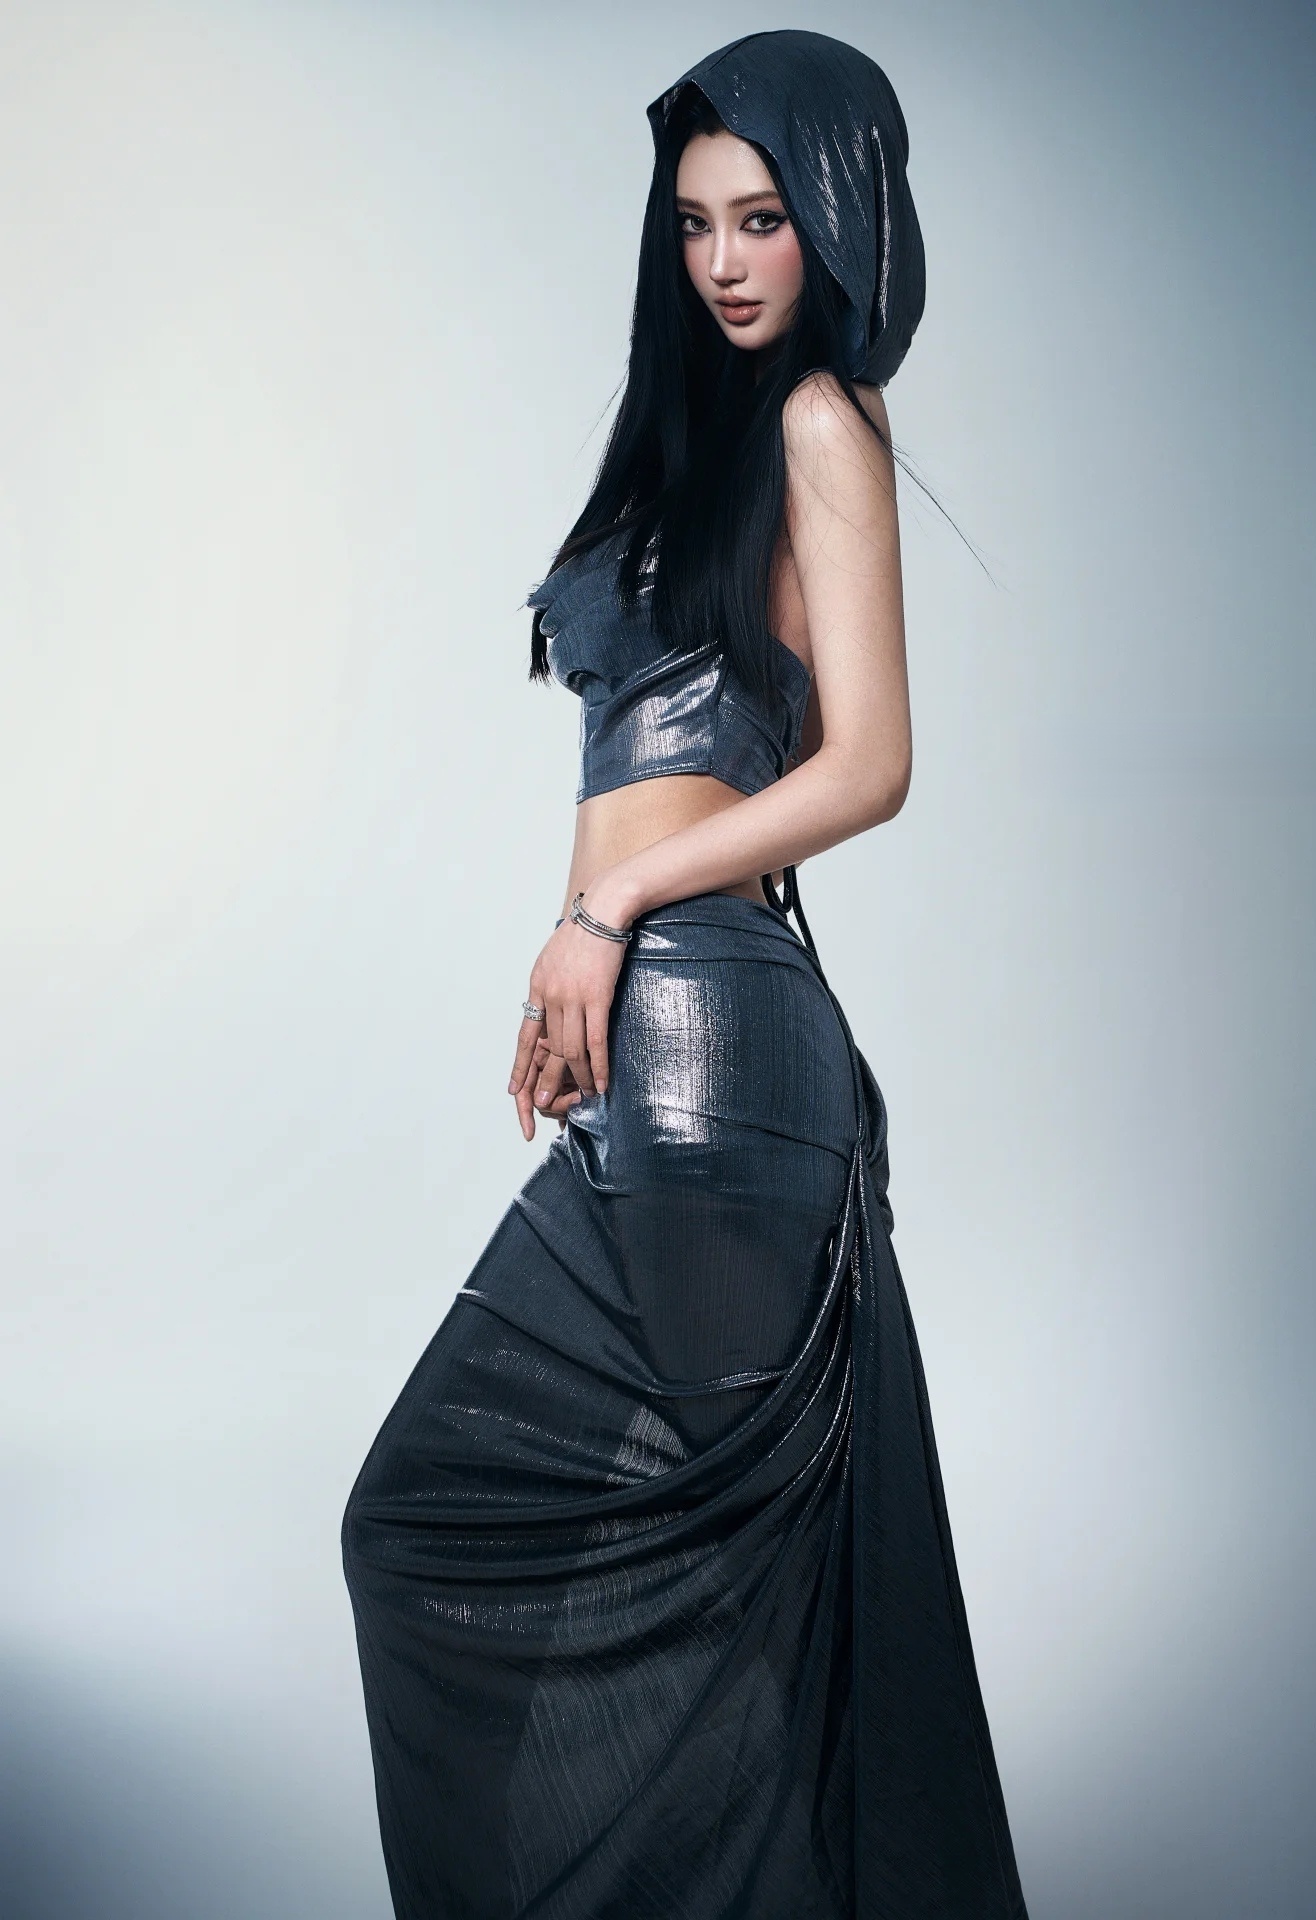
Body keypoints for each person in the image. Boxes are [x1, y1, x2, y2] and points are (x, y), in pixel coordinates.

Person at [343, 30, 1029, 1919]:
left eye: (765, 220)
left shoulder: (821, 424)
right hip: (650, 1033)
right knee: (433, 1529)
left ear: (842, 223)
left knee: (742, 1613)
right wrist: (583, 957)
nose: (727, 261)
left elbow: (870, 762)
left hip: (723, 1039)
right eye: (698, 224)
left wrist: (608, 913)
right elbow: (647, 758)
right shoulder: (693, 444)